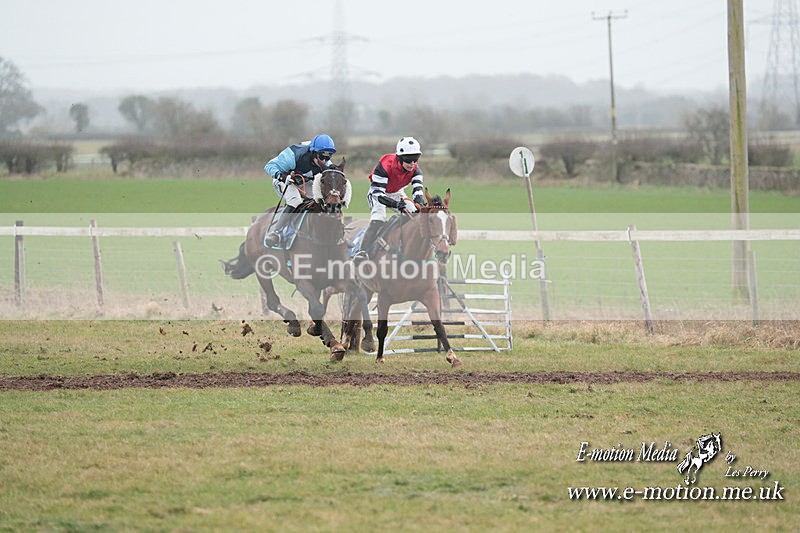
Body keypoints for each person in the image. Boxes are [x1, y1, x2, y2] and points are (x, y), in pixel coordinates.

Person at [354, 136, 426, 261]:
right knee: (378, 219)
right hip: (378, 193)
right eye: (409, 160)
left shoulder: (416, 170)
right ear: (400, 158)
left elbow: (418, 191)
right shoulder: (385, 165)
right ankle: (362, 252)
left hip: (397, 193)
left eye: (415, 159)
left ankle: (406, 248)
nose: (412, 164)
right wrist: (396, 204)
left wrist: (420, 204)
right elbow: (378, 194)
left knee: (414, 215)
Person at [263, 133, 336, 246]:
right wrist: (282, 176)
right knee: (295, 200)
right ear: (313, 153)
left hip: (305, 181)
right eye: (322, 157)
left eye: (328, 157)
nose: (324, 161)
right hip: (285, 180)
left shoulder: (326, 163)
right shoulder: (293, 156)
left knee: (320, 201)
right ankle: (276, 232)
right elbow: (269, 166)